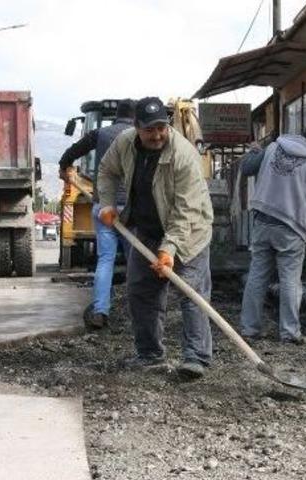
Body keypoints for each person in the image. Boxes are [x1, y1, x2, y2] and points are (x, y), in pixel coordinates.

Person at [95, 96, 214, 379]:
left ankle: (196, 358)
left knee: (192, 294)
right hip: (146, 230)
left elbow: (187, 211)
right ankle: (150, 355)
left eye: (162, 127)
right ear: (136, 127)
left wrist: (169, 250)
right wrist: (108, 203)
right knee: (140, 292)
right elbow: (107, 171)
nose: (157, 134)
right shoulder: (124, 143)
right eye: (150, 129)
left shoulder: (184, 156)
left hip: (190, 232)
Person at [239, 123, 306, 344]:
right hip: (291, 227)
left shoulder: (273, 148)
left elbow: (246, 168)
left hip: (263, 220)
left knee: (257, 276)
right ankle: (289, 333)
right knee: (290, 279)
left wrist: (254, 151)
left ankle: (249, 329)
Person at [59, 100, 136, 331]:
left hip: (104, 206)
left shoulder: (100, 133)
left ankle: (101, 311)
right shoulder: (139, 134)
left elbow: (71, 152)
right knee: (136, 262)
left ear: (116, 118)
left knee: (105, 260)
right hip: (131, 209)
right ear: (135, 118)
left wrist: (64, 168)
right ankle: (138, 313)